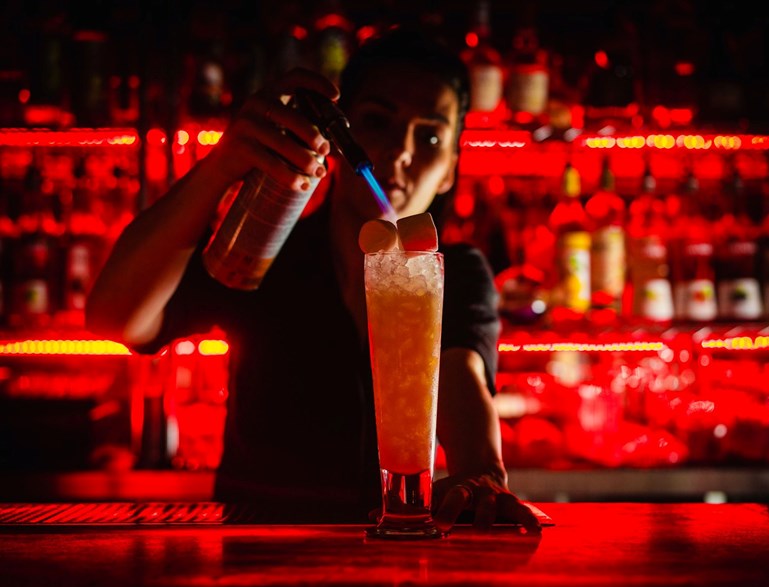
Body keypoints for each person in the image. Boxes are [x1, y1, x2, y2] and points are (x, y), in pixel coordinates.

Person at [86, 26, 543, 533]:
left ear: (452, 169)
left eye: (431, 135)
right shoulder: (263, 250)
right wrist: (222, 164)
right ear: (339, 133)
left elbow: (461, 380)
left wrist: (481, 473)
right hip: (256, 543)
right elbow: (116, 318)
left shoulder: (451, 268)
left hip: (394, 547)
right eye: (376, 121)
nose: (401, 151)